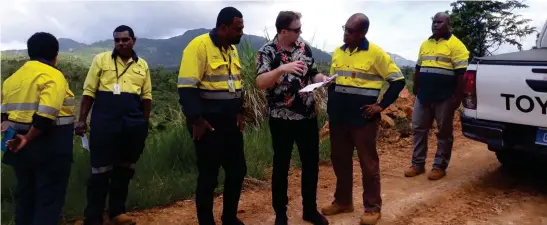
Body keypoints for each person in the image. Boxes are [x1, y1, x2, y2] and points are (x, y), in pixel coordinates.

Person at [321, 13, 405, 225]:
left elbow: (398, 81)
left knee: (368, 164)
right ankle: (343, 201)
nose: (345, 34)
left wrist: (380, 106)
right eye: (345, 29)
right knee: (340, 161)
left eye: (350, 31)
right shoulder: (338, 53)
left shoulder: (376, 53)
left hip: (362, 120)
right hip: (339, 118)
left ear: (363, 33)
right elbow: (334, 81)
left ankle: (372, 207)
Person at [255, 11, 330, 225]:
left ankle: (310, 210)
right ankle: (280, 214)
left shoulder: (304, 47)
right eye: (296, 29)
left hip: (307, 116)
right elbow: (261, 82)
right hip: (281, 119)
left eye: (300, 28)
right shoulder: (266, 52)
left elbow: (312, 72)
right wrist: (281, 69)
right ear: (283, 31)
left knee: (311, 164)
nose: (300, 32)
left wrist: (321, 79)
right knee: (281, 166)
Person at [75, 25, 152, 225]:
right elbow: (89, 92)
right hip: (105, 123)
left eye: (125, 40)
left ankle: (117, 213)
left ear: (133, 41)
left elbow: (147, 97)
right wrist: (82, 119)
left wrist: (143, 123)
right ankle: (93, 217)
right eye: (117, 40)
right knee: (100, 171)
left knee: (124, 169)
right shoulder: (101, 60)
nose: (120, 43)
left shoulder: (142, 65)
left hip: (133, 124)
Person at [177, 7, 247, 225]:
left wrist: (241, 111)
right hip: (208, 125)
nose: (241, 33)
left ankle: (229, 218)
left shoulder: (231, 50)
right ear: (223, 27)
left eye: (242, 28)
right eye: (238, 28)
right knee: (209, 176)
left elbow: (236, 84)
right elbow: (186, 88)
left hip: (230, 124)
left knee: (237, 171)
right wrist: (196, 120)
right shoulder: (198, 46)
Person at [1, 32, 76, 225]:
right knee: (48, 199)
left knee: (26, 198)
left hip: (19, 146)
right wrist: (29, 137)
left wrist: (18, 137)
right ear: (55, 55)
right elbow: (46, 115)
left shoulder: (12, 80)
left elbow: (3, 117)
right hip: (51, 147)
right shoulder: (53, 75)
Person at [404, 12, 469, 180]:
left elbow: (462, 75)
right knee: (418, 128)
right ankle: (418, 164)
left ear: (449, 24)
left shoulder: (457, 46)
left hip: (445, 97)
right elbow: (418, 67)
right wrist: (416, 86)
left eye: (439, 22)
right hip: (424, 95)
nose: (435, 25)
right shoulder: (426, 44)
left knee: (444, 132)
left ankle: (439, 166)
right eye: (434, 22)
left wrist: (458, 97)